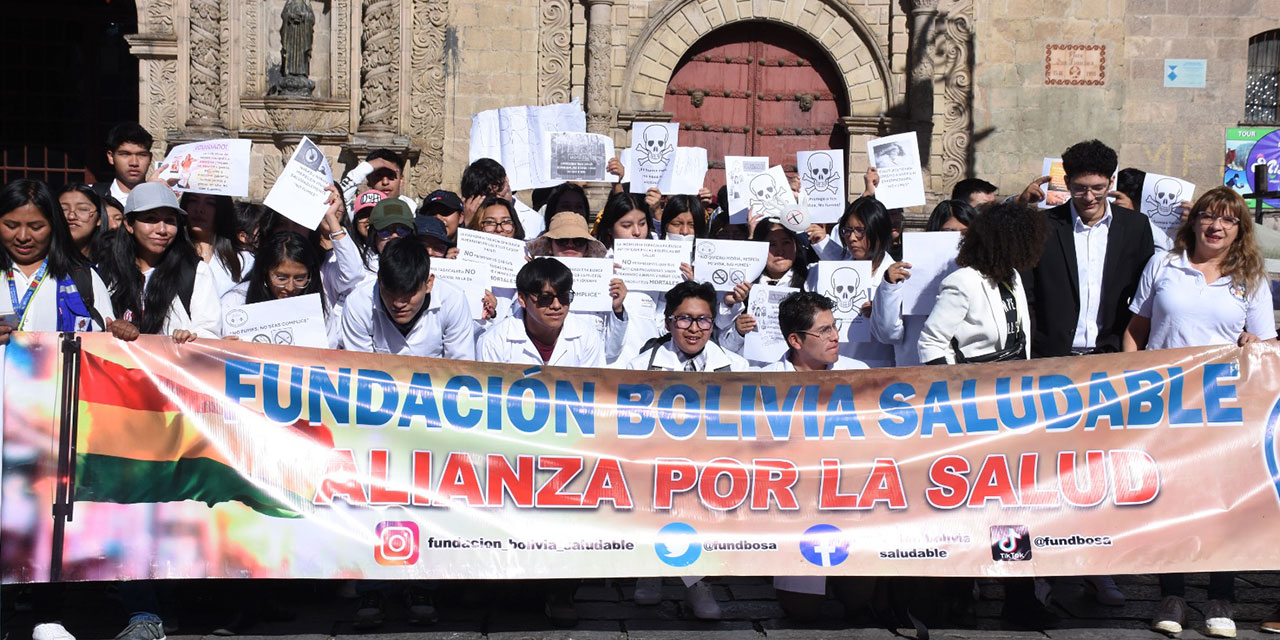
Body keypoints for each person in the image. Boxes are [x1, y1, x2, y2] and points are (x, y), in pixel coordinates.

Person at [1123, 188, 1274, 639]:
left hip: (1224, 407)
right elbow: (1135, 329)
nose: (1216, 226)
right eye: (1209, 216)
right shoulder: (1164, 265)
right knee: (1173, 499)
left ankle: (1220, 598)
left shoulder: (1250, 278)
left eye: (1227, 220)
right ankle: (1172, 595)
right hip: (1165, 402)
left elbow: (1267, 345)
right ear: (1194, 222)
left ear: (1239, 229)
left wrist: (1255, 345)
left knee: (1221, 502)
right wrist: (1132, 379)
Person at [1019, 139, 1155, 358]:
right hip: (1050, 356)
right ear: (1067, 182)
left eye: (1098, 188)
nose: (1090, 197)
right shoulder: (1042, 226)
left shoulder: (1135, 227)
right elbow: (1027, 293)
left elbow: (1145, 291)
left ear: (1111, 182)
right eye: (1080, 189)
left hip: (1111, 354)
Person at [919, 201, 1043, 364]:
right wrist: (952, 384)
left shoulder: (1013, 275)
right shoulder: (963, 281)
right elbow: (931, 343)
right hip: (972, 383)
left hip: (1012, 380)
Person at [98, 182, 222, 342]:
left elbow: (209, 335)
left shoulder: (195, 272)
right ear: (129, 224)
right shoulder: (107, 270)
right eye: (151, 219)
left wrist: (190, 339)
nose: (162, 230)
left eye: (170, 221)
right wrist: (114, 329)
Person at [873, 199, 977, 367]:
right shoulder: (907, 274)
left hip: (967, 376)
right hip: (918, 375)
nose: (958, 241)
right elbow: (888, 334)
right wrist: (889, 287)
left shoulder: (982, 276)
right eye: (948, 233)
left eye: (965, 234)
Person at [341, 236, 474, 358]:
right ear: (380, 281)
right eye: (391, 293)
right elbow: (360, 370)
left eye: (409, 294)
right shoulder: (358, 303)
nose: (399, 304)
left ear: (429, 283)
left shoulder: (453, 301)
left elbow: (460, 368)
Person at [527, 212, 634, 363]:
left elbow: (611, 351)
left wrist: (617, 309)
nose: (570, 245)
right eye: (562, 241)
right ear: (550, 245)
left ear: (587, 247)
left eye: (578, 241)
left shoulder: (603, 283)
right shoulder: (532, 279)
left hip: (585, 374)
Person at [478, 257, 604, 368]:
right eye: (545, 298)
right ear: (522, 299)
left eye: (564, 297)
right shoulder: (494, 341)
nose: (556, 305)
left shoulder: (587, 336)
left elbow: (593, 391)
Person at [222, 231, 340, 348]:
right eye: (281, 278)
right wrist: (222, 346)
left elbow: (329, 349)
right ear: (265, 272)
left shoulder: (320, 304)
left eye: (300, 279)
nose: (290, 287)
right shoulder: (235, 302)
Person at [181, 192, 254, 297]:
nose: (199, 209)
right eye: (194, 200)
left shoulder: (245, 261)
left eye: (210, 203)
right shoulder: (170, 254)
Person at [91, 122, 152, 205]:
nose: (134, 163)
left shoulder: (162, 198)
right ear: (111, 157)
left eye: (142, 155)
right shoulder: (91, 197)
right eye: (125, 154)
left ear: (150, 158)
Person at [338, 149, 416, 214]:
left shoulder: (412, 212)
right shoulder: (359, 213)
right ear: (368, 180)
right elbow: (338, 199)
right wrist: (368, 166)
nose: (385, 182)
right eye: (378, 176)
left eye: (391, 176)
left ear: (401, 180)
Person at [57, 183, 110, 258]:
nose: (71, 216)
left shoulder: (113, 262)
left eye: (82, 209)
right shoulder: (42, 263)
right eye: (64, 209)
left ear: (99, 218)